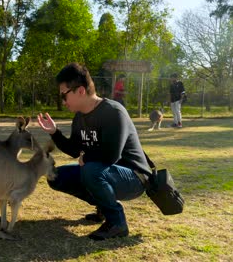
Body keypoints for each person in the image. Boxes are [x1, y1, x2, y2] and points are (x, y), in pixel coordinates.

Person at [37, 63, 151, 240]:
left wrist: (86, 158)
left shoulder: (113, 112)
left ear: (80, 91)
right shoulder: (80, 116)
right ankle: (104, 208)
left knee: (90, 169)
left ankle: (117, 223)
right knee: (56, 176)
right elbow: (74, 150)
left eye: (64, 94)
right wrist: (54, 132)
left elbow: (111, 155)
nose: (63, 100)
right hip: (104, 171)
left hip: (134, 177)